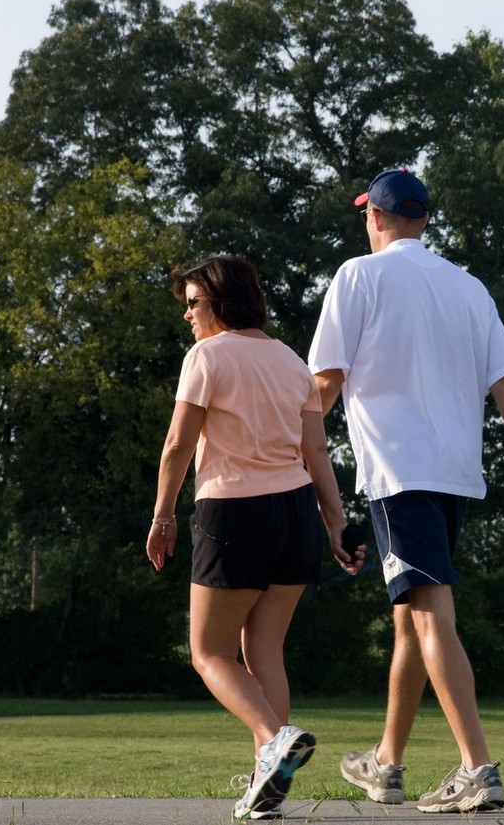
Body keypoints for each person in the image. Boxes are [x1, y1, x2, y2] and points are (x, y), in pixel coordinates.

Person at [308, 169, 504, 813]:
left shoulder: (357, 277)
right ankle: (386, 765)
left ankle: (477, 768)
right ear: (422, 219)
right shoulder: (468, 287)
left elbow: (324, 386)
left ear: (375, 216)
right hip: (454, 475)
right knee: (411, 620)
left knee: (430, 615)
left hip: (399, 474)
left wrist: (290, 458)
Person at [146, 254, 365, 821]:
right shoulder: (292, 361)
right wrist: (336, 523)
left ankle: (273, 740)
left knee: (209, 652)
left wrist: (163, 515)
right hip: (295, 516)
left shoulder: (207, 356)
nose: (188, 315)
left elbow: (176, 445)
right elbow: (316, 452)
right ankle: (265, 788)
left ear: (221, 300)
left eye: (194, 303)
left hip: (233, 514)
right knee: (263, 650)